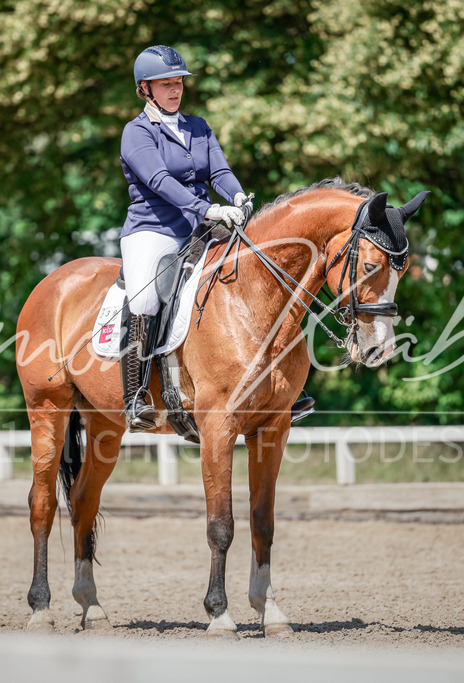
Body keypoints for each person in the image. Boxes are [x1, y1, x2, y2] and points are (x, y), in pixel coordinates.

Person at [118, 45, 314, 432]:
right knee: (144, 297)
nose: (175, 89)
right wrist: (206, 208)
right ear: (145, 88)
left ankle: (283, 386)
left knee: (262, 277)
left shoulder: (198, 126)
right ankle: (135, 395)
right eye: (166, 84)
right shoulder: (136, 132)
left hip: (204, 228)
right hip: (154, 229)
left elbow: (219, 172)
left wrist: (237, 196)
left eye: (179, 82)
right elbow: (158, 180)